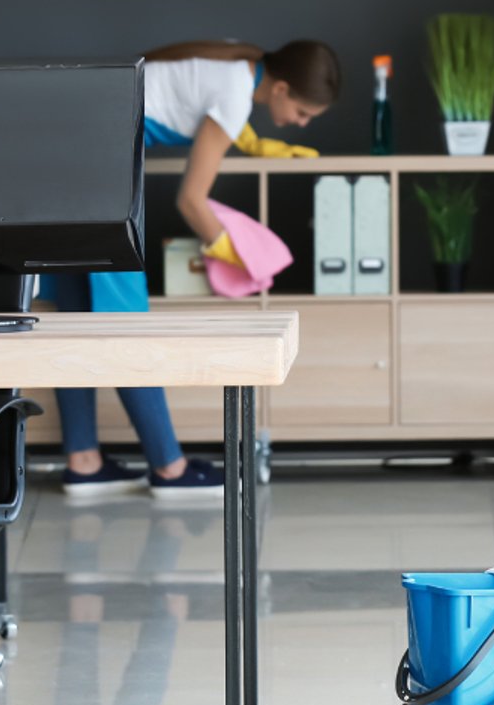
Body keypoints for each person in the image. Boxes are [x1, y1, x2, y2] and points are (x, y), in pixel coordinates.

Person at [50, 38, 340, 499]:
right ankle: (169, 467)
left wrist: (255, 143)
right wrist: (243, 257)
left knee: (76, 313)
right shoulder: (235, 92)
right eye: (303, 113)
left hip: (66, 154)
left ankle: (83, 459)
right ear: (282, 88)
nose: (299, 124)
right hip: (99, 166)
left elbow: (181, 92)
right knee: (126, 322)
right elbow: (192, 201)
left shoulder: (235, 63)